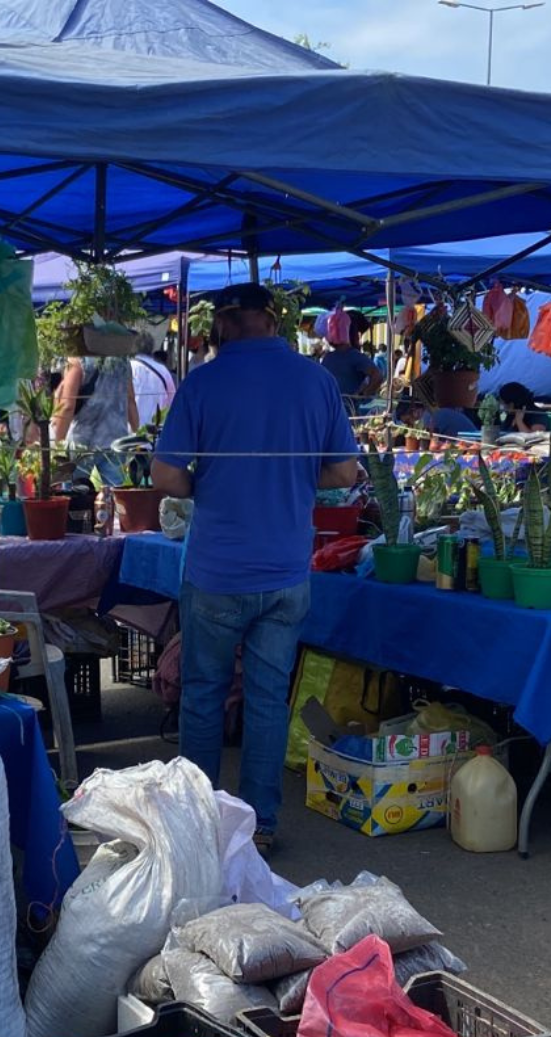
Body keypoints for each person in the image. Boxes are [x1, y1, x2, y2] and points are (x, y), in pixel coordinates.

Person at [152, 284, 360, 851]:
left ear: (221, 325)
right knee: (268, 699)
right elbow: (344, 474)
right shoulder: (316, 381)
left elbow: (166, 478)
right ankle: (259, 825)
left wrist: (210, 482)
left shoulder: (203, 382)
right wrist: (292, 479)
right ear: (274, 321)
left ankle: (198, 825)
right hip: (287, 571)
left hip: (217, 569)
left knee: (203, 695)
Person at [52, 355, 140, 487]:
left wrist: (57, 445)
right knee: (116, 495)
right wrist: (137, 435)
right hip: (115, 439)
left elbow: (67, 407)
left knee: (75, 496)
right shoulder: (122, 361)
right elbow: (130, 401)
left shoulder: (78, 361)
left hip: (81, 443)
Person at [320, 311, 382, 413]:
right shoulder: (329, 357)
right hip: (328, 411)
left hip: (346, 414)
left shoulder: (355, 356)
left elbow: (377, 376)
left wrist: (361, 396)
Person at [131, 349, 178, 428]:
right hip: (155, 431)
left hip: (129, 433)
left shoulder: (127, 367)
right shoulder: (163, 371)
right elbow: (173, 405)